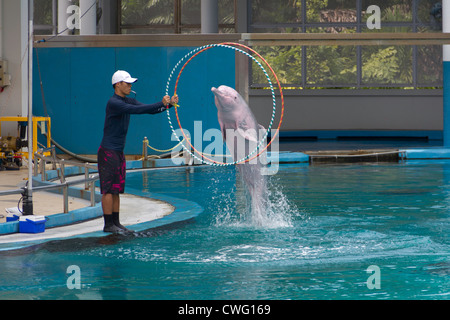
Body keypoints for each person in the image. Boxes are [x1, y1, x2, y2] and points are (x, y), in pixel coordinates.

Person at [98, 70, 178, 233]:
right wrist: (161, 103)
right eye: (127, 83)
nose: (130, 86)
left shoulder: (128, 100)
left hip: (118, 151)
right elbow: (138, 111)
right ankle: (108, 224)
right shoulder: (114, 103)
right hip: (108, 151)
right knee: (108, 189)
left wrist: (168, 105)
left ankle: (116, 222)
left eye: (130, 83)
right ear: (117, 84)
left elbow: (149, 110)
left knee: (117, 189)